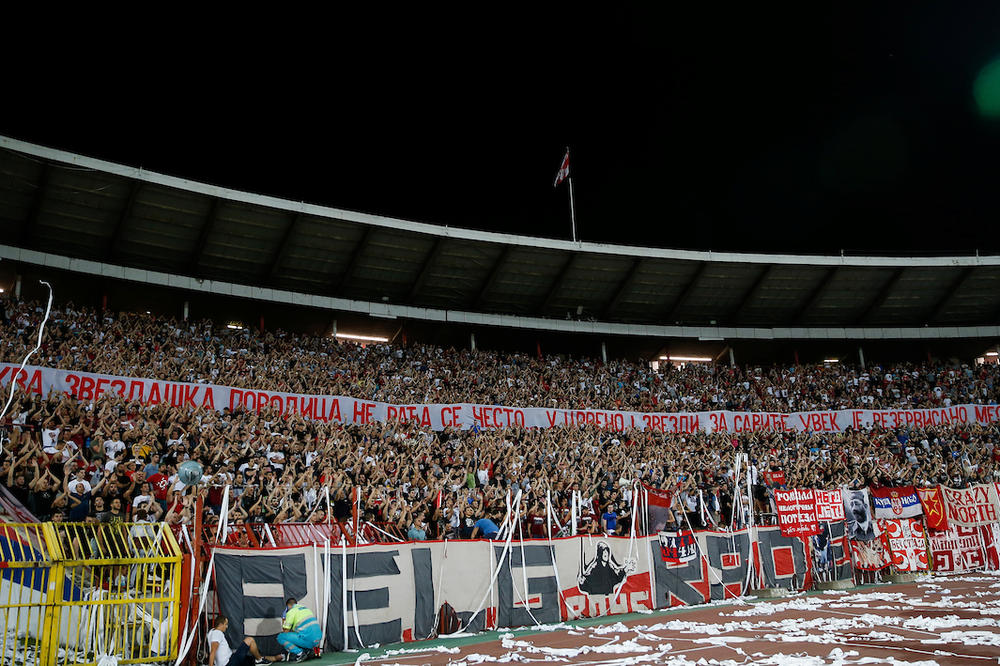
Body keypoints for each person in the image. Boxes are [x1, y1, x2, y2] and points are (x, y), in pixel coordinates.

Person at [207, 615, 281, 666]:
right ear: (220, 624)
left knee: (252, 659)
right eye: (226, 624)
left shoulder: (211, 632)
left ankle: (274, 658)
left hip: (231, 659)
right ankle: (259, 660)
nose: (226, 627)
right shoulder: (217, 633)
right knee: (250, 640)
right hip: (229, 663)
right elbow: (213, 651)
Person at [277, 597, 322, 662]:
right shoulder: (306, 609)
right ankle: (316, 653)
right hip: (317, 641)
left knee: (281, 637)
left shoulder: (291, 611)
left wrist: (284, 618)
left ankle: (300, 653)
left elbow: (285, 631)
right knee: (305, 633)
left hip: (307, 640)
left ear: (288, 606)